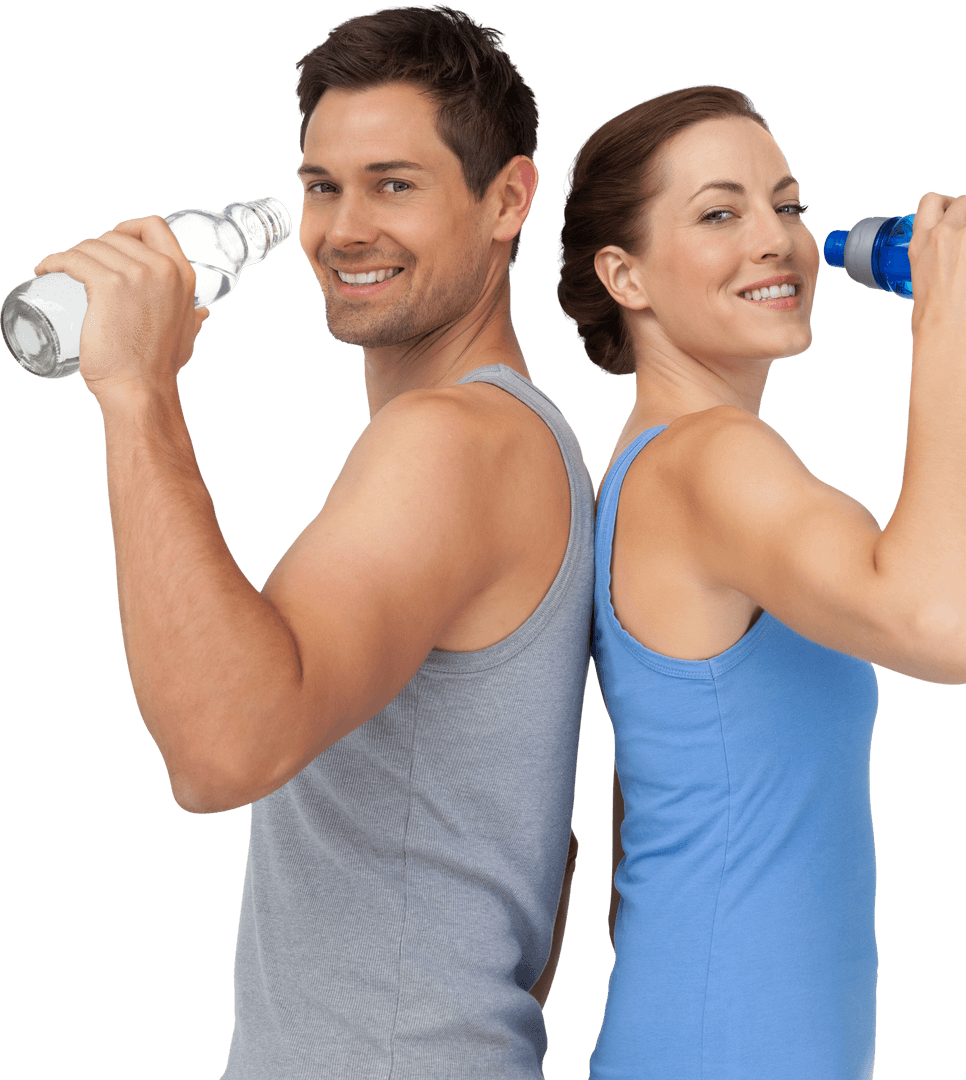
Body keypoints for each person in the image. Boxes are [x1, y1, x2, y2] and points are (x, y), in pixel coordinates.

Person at [31, 6, 592, 1078]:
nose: (340, 230)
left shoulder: (450, 442)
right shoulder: (515, 440)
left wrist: (138, 393)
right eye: (321, 185)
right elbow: (543, 867)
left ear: (507, 198)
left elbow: (221, 752)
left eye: (394, 183)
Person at [556, 84, 966, 1078]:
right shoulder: (708, 462)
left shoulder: (673, 462)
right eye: (719, 212)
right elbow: (950, 624)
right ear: (622, 274)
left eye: (789, 205)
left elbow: (646, 820)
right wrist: (946, 335)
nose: (776, 239)